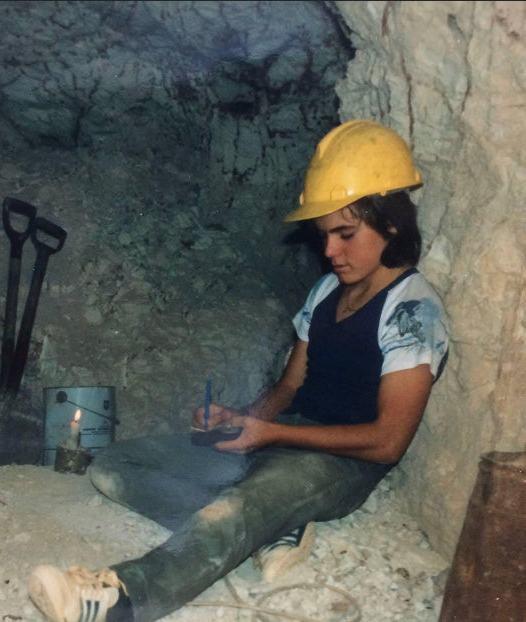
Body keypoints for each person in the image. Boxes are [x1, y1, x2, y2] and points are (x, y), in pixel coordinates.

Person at [27, 119, 450, 622]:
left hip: (341, 463)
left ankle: (118, 599)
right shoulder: (326, 292)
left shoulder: (412, 309)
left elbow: (388, 441)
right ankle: (272, 523)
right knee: (115, 466)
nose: (331, 251)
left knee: (228, 510)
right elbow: (291, 385)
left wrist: (268, 434)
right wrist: (244, 418)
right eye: (324, 236)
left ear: (391, 223)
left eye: (346, 234)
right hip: (283, 437)